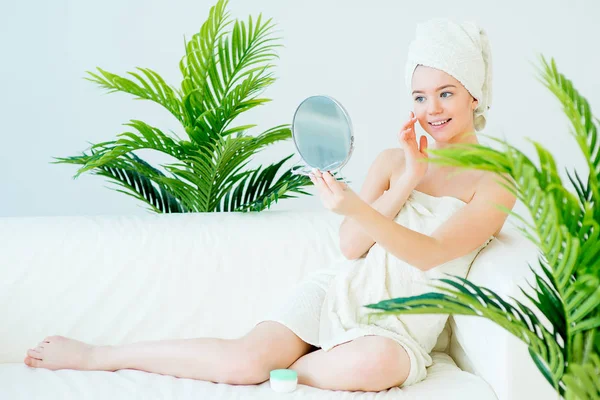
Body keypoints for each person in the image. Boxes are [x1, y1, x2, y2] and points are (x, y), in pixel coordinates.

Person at [23, 18, 515, 392]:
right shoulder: (395, 160)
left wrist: (355, 206)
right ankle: (100, 356)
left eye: (445, 93)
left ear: (474, 95)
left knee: (376, 364)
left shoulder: (497, 183)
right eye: (420, 96)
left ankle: (289, 371)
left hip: (400, 328)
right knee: (243, 361)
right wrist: (406, 179)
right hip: (341, 293)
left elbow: (430, 253)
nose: (431, 111)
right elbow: (349, 246)